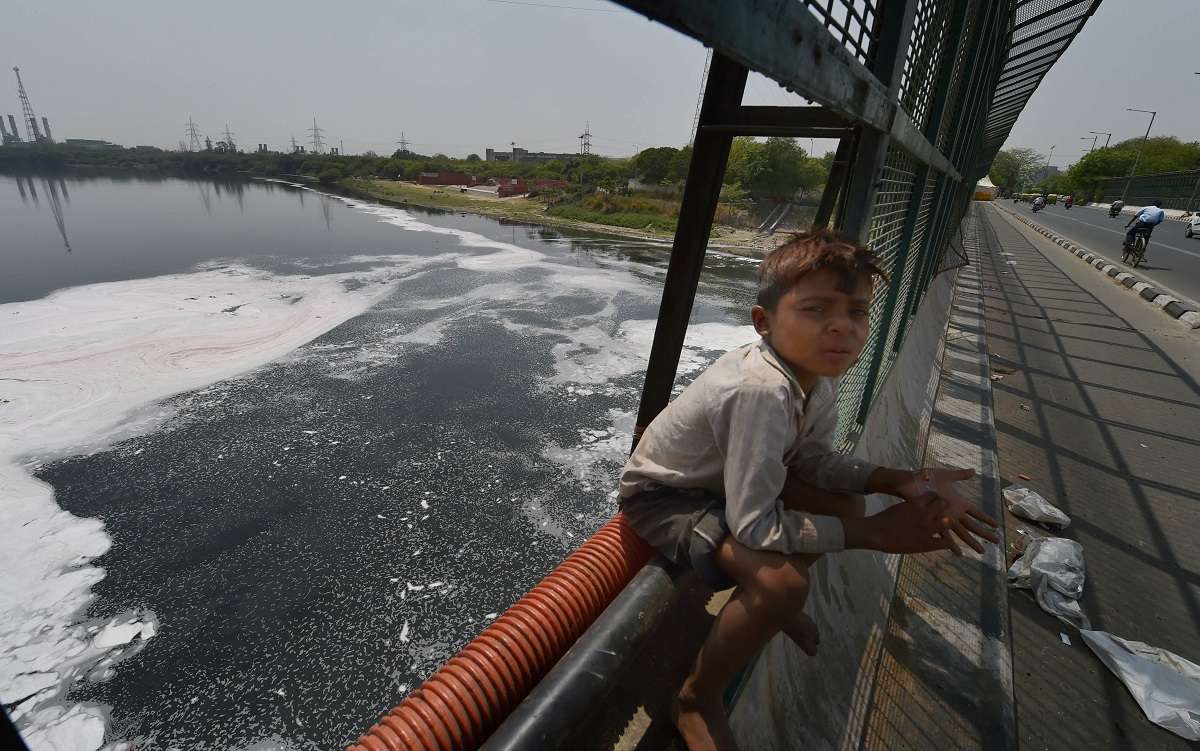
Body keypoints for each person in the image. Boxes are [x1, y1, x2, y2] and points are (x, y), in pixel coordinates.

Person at [618, 231, 1000, 751]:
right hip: (671, 496)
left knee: (844, 502)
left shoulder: (815, 374)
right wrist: (872, 535)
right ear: (764, 322)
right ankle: (695, 697)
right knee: (781, 586)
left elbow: (814, 461)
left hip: (732, 483)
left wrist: (900, 481)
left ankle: (768, 614)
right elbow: (754, 524)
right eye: (817, 309)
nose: (842, 327)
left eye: (857, 312)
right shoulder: (762, 390)